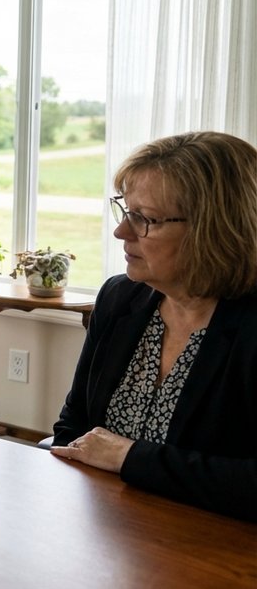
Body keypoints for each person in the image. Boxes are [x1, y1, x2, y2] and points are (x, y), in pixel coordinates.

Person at [51, 131, 257, 521]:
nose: (121, 232)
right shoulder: (119, 298)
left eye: (144, 218)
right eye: (125, 211)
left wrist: (130, 458)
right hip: (103, 527)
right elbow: (72, 426)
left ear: (212, 230)